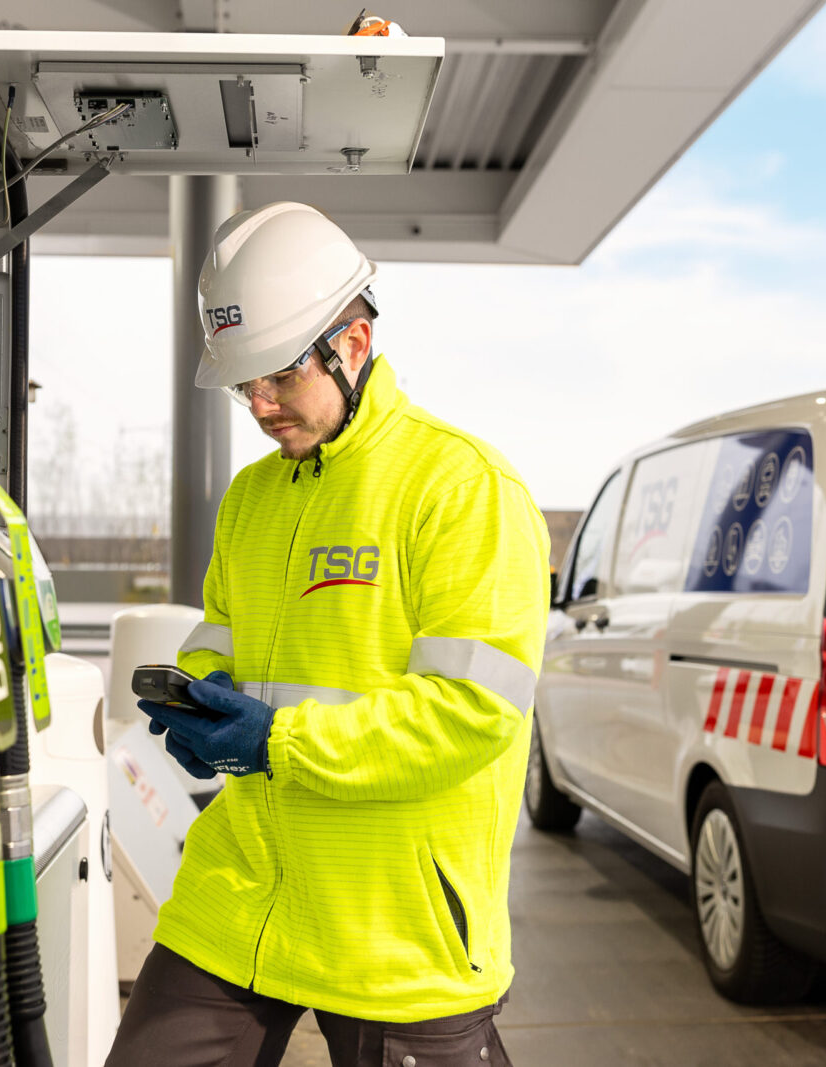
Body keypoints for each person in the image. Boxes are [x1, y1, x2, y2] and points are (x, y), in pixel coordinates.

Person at [105, 201, 550, 1067]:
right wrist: (200, 697)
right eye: (243, 383)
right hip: (243, 898)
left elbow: (471, 712)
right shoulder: (252, 498)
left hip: (395, 925)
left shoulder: (461, 488)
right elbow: (218, 640)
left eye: (278, 375)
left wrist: (277, 741)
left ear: (352, 343)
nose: (259, 403)